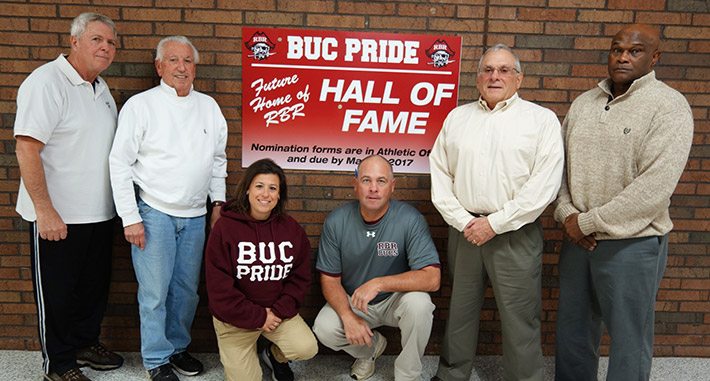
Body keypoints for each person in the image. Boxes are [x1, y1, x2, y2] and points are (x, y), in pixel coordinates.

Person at [553, 24, 694, 381]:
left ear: (654, 57)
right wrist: (568, 214)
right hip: (577, 241)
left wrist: (586, 222)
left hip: (633, 243)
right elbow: (560, 171)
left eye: (635, 51)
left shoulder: (669, 106)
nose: (623, 57)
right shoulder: (583, 104)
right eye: (617, 50)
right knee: (572, 333)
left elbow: (654, 188)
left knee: (629, 341)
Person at [429, 44, 564, 381]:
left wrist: (495, 223)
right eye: (488, 69)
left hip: (515, 233)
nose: (495, 76)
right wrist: (465, 222)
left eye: (504, 70)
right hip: (464, 230)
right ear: (478, 78)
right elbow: (440, 175)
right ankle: (452, 374)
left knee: (520, 315)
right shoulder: (457, 118)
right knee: (459, 311)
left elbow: (543, 187)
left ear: (519, 78)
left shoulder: (541, 120)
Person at [108, 35, 227, 381]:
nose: (181, 67)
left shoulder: (209, 107)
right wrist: (130, 218)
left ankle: (177, 348)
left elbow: (218, 161)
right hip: (153, 213)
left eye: (188, 61)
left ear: (195, 67)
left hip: (195, 216)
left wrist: (217, 203)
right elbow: (119, 163)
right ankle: (156, 358)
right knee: (155, 293)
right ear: (159, 66)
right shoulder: (141, 106)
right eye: (173, 60)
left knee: (186, 292)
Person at [14, 12, 124, 381]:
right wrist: (45, 211)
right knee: (58, 295)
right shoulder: (46, 82)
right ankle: (58, 364)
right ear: (74, 41)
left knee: (92, 290)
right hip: (57, 217)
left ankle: (84, 343)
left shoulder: (101, 88)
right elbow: (27, 148)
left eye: (110, 42)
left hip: (97, 214)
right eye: (96, 39)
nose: (105, 47)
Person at [312, 154, 441, 381]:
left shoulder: (410, 219)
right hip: (355, 300)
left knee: (420, 305)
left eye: (381, 181)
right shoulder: (337, 221)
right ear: (355, 184)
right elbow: (329, 280)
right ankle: (370, 351)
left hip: (395, 300)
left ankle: (407, 375)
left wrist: (380, 283)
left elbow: (432, 278)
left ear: (392, 187)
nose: (373, 188)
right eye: (366, 180)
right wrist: (347, 315)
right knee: (324, 328)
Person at [205, 158, 318, 381]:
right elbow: (220, 289)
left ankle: (274, 356)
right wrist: (258, 316)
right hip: (234, 319)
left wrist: (275, 312)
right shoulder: (225, 229)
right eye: (259, 186)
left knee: (306, 348)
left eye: (272, 188)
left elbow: (300, 278)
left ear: (279, 195)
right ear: (247, 190)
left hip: (277, 314)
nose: (265, 194)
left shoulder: (292, 230)